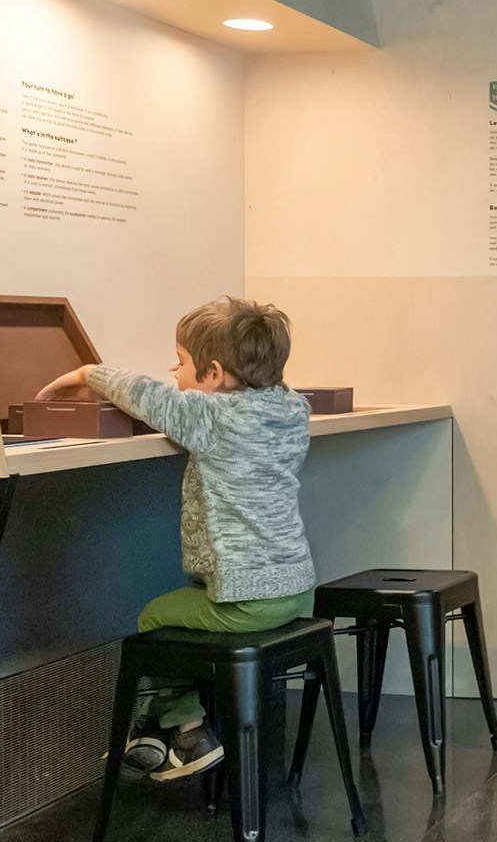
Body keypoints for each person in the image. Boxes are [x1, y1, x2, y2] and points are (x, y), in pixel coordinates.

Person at [36, 297, 316, 779]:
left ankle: (188, 732)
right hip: (297, 591)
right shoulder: (292, 409)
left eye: (182, 361)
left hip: (247, 602)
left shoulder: (211, 417)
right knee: (184, 611)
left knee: (154, 616)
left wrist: (89, 372)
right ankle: (157, 733)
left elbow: (148, 396)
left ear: (212, 375)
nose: (173, 368)